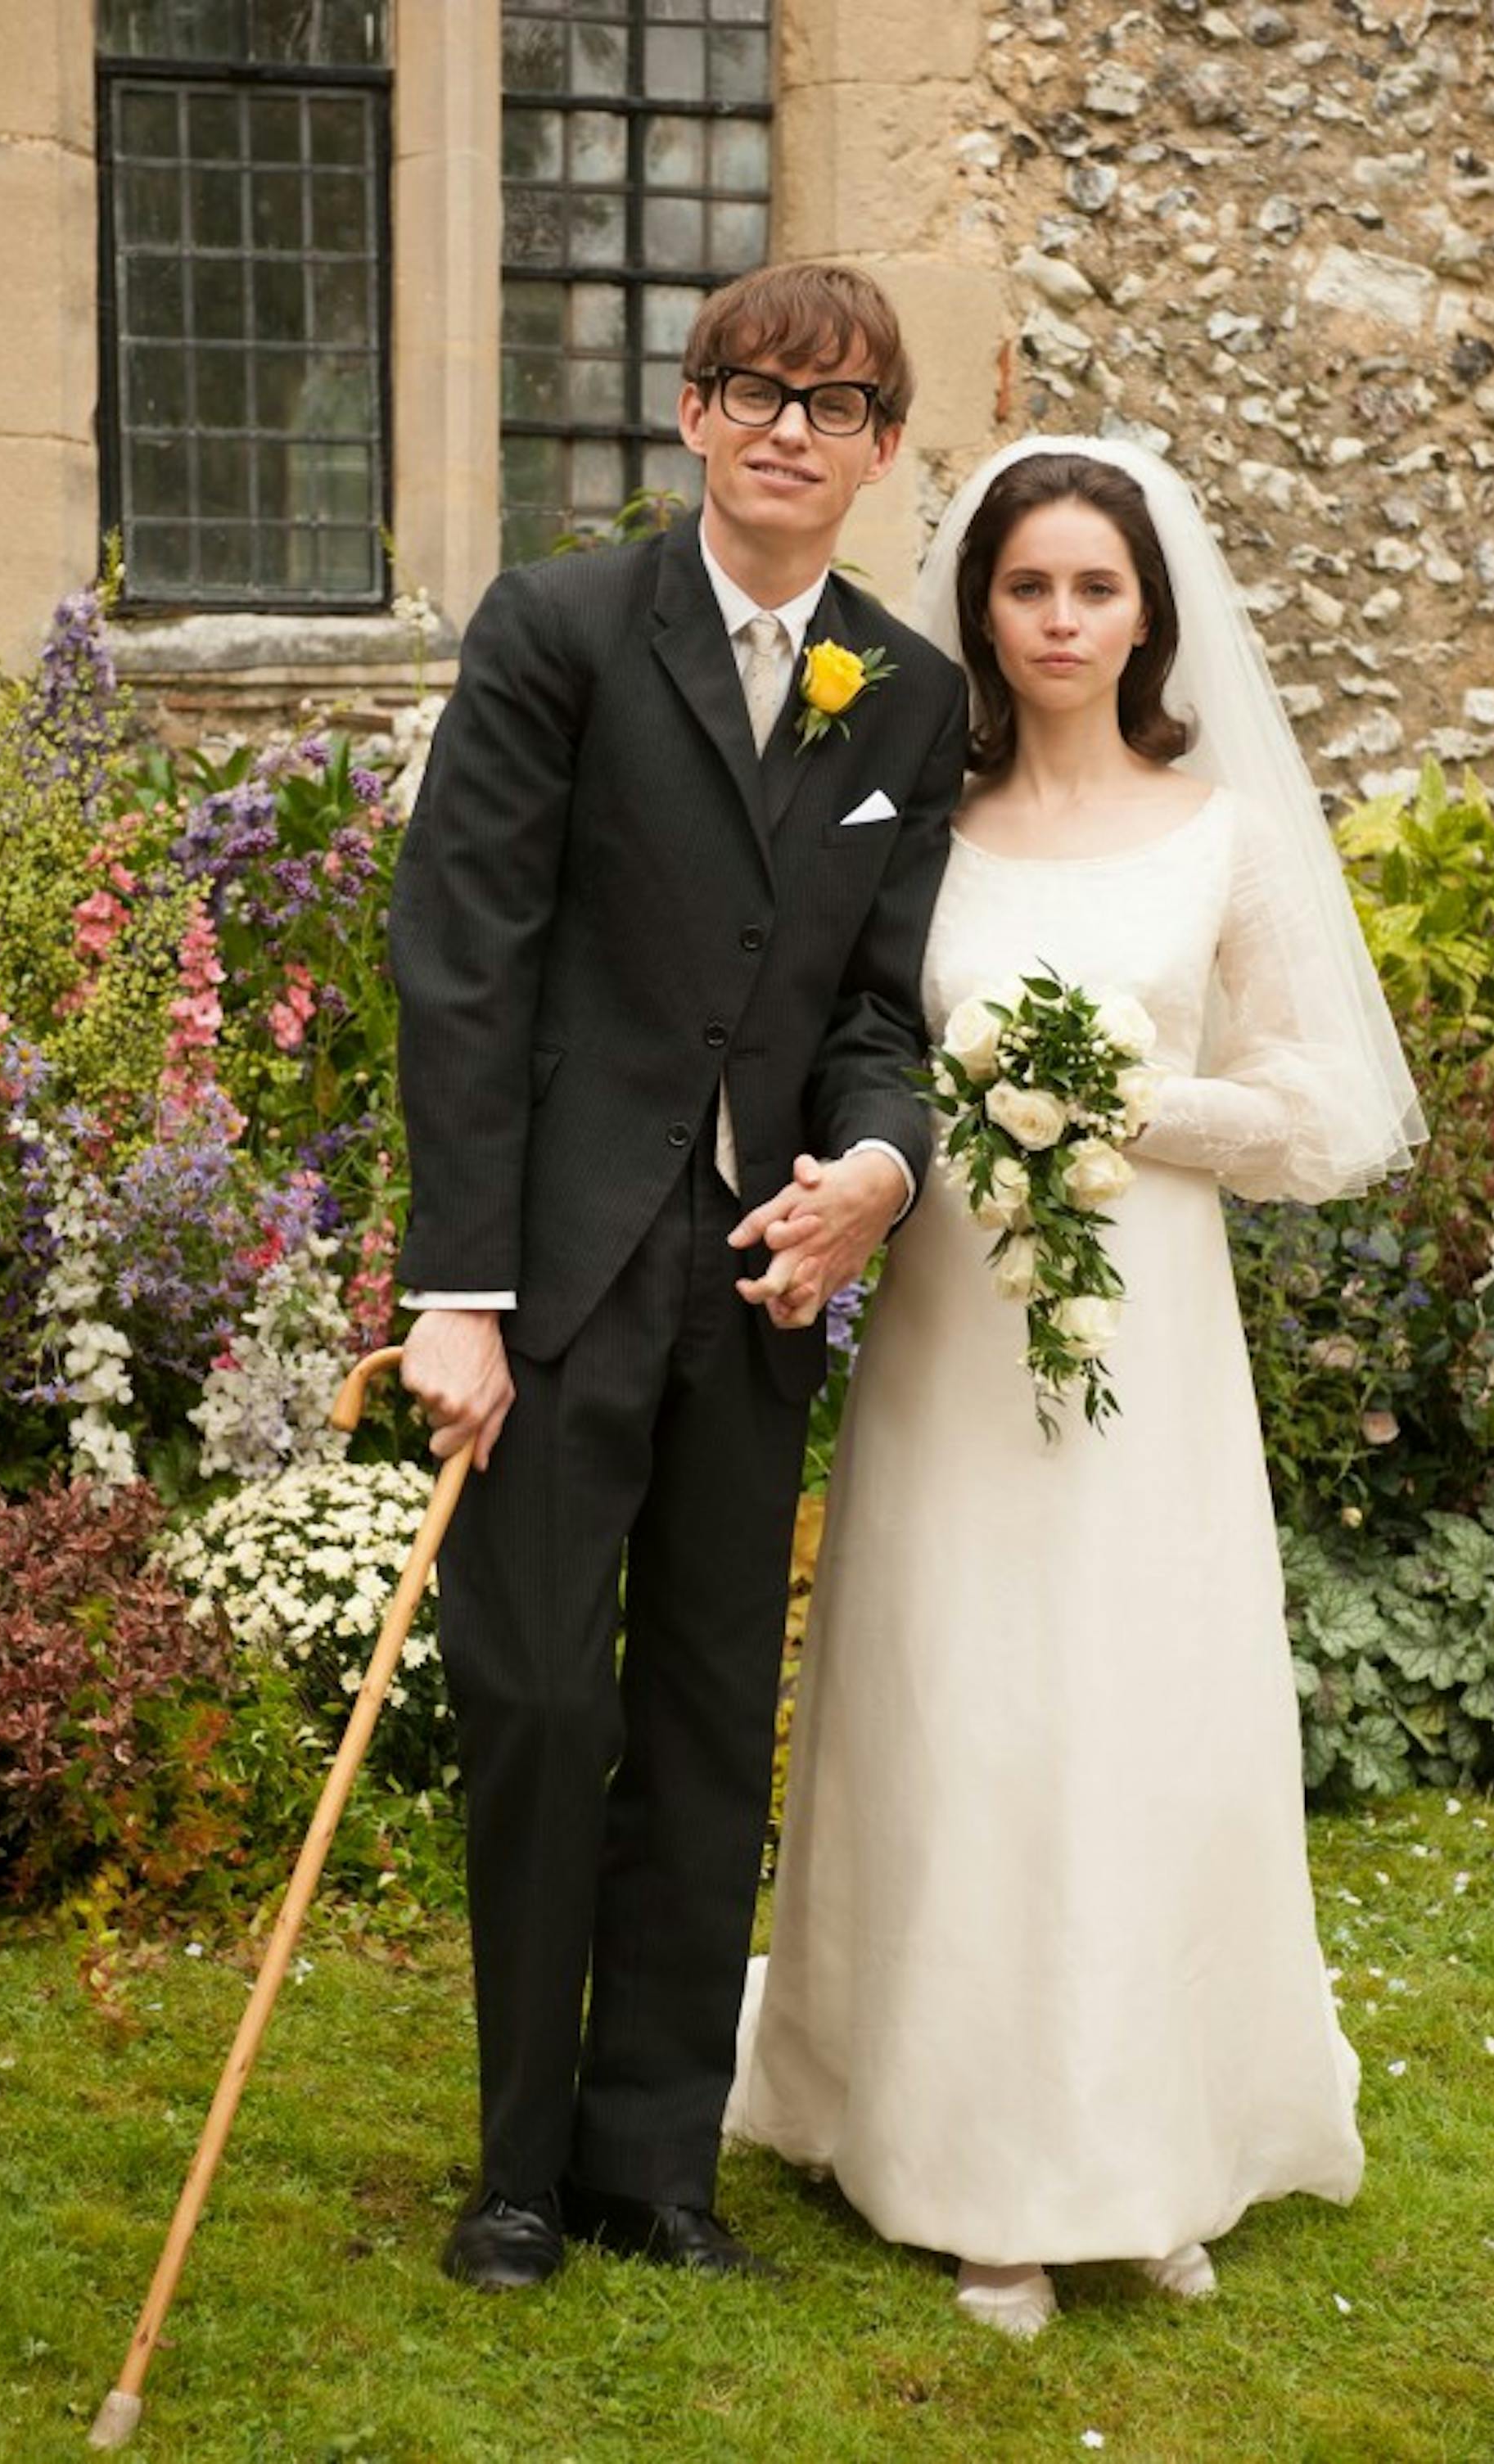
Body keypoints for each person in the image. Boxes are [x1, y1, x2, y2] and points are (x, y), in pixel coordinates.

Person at [724, 437, 1425, 2338]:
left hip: (1150, 1351)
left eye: (1090, 589)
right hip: (954, 1338)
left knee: (1133, 1713)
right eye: (1025, 588)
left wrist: (1123, 1105)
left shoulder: (1224, 834)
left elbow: (1326, 1114)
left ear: (1145, 611)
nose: (1055, 620)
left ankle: (1152, 2141)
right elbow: (840, 1036)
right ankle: (971, 2161)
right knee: (962, 1704)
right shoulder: (917, 822)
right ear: (981, 608)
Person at [388, 262, 968, 2292]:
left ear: (885, 445)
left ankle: (652, 2161)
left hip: (760, 1281)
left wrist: (877, 1174)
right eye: (753, 389)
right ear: (694, 415)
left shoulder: (908, 692)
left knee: (714, 1707)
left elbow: (880, 1003)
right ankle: (519, 2168)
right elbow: (461, 965)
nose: (790, 427)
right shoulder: (558, 629)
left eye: (835, 402)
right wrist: (454, 1287)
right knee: (543, 1696)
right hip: (553, 1269)